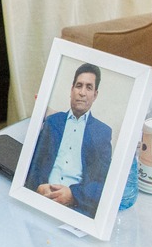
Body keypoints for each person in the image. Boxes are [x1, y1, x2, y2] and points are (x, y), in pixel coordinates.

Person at [24, 63, 112, 218]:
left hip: (75, 209)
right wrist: (38, 187)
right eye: (79, 86)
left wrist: (73, 195)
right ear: (71, 90)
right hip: (40, 199)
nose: (82, 93)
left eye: (89, 87)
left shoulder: (102, 132)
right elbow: (33, 163)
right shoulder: (53, 122)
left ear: (95, 95)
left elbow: (103, 183)